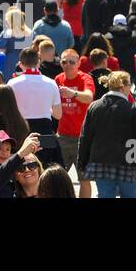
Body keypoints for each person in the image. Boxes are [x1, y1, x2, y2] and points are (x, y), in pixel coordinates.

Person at [76, 70, 136, 198]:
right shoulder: (132, 109)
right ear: (123, 87)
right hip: (128, 161)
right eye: (129, 86)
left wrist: (82, 161)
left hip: (101, 161)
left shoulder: (94, 107)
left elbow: (85, 137)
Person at [55, 48, 95, 197]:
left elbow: (89, 97)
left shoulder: (85, 78)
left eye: (72, 62)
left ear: (78, 63)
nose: (68, 65)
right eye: (64, 62)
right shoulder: (58, 79)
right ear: (61, 64)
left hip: (82, 138)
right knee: (58, 177)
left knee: (84, 178)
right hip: (63, 137)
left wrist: (74, 94)